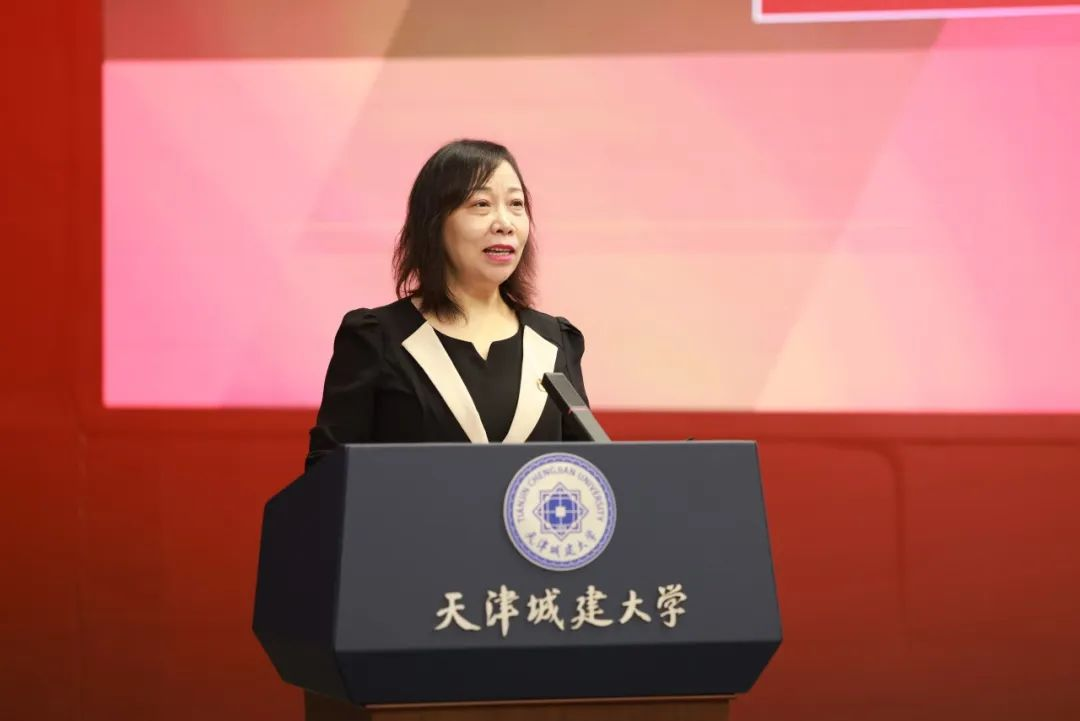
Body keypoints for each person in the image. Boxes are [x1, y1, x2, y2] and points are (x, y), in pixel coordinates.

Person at [305, 139, 592, 470]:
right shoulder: (377, 339)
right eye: (481, 204)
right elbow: (328, 476)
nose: (505, 223)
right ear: (434, 222)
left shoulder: (554, 342)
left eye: (516, 204)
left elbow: (589, 471)